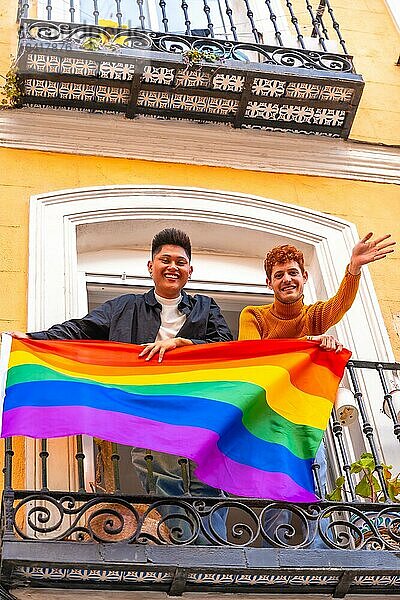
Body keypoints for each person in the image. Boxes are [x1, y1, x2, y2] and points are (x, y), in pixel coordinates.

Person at [11, 227, 233, 544]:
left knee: (205, 485)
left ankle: (213, 554)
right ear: (151, 266)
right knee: (161, 479)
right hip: (147, 410)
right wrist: (35, 339)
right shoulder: (124, 307)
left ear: (189, 270)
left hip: (195, 411)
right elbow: (81, 329)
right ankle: (191, 548)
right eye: (165, 259)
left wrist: (184, 345)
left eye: (180, 262)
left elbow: (224, 348)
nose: (173, 266)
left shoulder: (206, 308)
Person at [238, 232, 395, 547]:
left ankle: (317, 549)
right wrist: (307, 344)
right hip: (267, 416)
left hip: (307, 413)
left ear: (304, 277)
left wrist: (353, 269)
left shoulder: (314, 315)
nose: (287, 279)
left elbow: (340, 304)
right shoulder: (253, 316)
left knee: (317, 476)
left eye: (293, 273)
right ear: (269, 283)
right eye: (278, 275)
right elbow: (250, 354)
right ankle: (273, 554)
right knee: (274, 482)